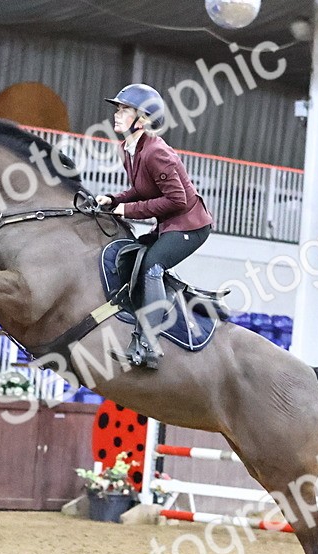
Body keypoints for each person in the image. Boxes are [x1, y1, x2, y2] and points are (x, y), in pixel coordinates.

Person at [95, 83, 213, 370]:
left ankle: (149, 344)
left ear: (143, 119)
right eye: (119, 109)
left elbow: (177, 200)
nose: (117, 114)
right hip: (169, 224)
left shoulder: (156, 153)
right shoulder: (129, 148)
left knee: (152, 266)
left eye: (125, 110)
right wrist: (113, 199)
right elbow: (141, 189)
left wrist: (128, 210)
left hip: (190, 226)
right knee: (133, 256)